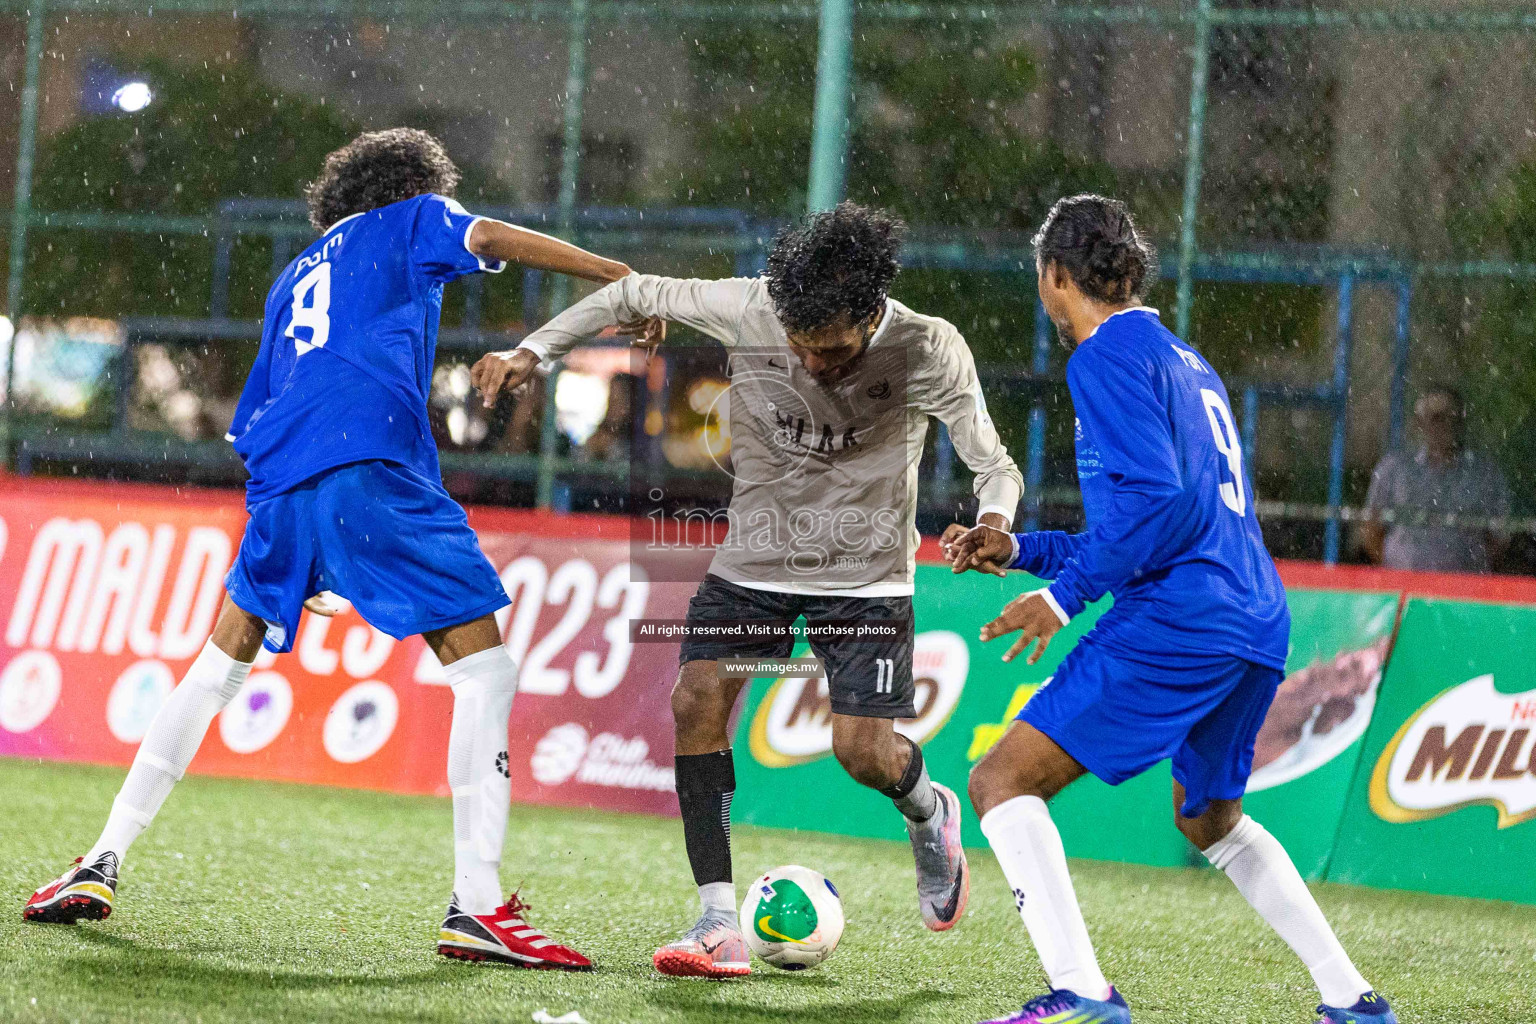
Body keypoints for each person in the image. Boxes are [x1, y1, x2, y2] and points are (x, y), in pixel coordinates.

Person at [23, 128, 648, 972]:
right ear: (414, 186)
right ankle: (480, 905)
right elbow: (491, 238)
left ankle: (98, 860)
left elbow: (254, 419)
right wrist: (623, 280)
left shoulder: (295, 273)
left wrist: (302, 544)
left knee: (216, 670)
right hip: (368, 467)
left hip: (282, 487)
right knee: (485, 672)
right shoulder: (410, 219)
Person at [476, 201, 1024, 978]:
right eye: (800, 350)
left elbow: (993, 464)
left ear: (872, 314)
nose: (816, 369)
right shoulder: (749, 305)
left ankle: (930, 813)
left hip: (866, 578)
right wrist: (537, 349)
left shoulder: (928, 345)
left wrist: (995, 519)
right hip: (753, 563)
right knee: (694, 700)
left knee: (861, 754)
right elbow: (629, 295)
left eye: (833, 354)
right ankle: (715, 922)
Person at [944, 195, 1397, 1024]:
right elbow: (1160, 518)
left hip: (1180, 619)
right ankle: (1351, 999)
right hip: (1253, 615)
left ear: (1055, 275)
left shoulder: (1102, 358)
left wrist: (1062, 597)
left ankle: (1082, 995)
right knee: (1210, 818)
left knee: (1000, 781)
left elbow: (1157, 510)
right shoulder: (1183, 359)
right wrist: (1023, 552)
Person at [1361, 384, 1512, 573]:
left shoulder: (1484, 473)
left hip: (1464, 592)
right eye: (1437, 418)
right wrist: (1397, 570)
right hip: (1404, 587)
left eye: (1453, 418)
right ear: (1419, 423)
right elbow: (1371, 530)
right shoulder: (1394, 469)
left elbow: (1500, 537)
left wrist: (1469, 574)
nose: (1446, 425)